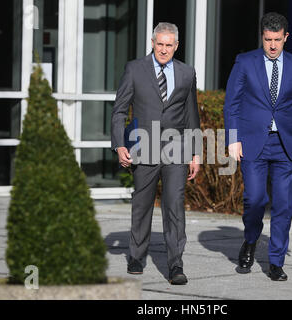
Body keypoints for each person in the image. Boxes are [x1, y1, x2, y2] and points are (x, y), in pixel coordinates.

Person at [223, 12, 292, 281]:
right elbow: (231, 103)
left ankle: (276, 261)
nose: (273, 46)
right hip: (253, 142)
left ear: (286, 37)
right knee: (254, 200)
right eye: (268, 40)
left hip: (286, 144)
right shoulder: (245, 62)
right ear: (262, 37)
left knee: (284, 205)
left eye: (278, 40)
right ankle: (250, 241)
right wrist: (232, 139)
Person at [111, 22, 200, 285]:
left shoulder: (186, 73)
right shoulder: (135, 69)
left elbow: (192, 114)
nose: (163, 49)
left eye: (168, 45)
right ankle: (137, 256)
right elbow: (119, 110)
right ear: (152, 43)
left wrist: (195, 152)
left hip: (177, 150)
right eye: (159, 44)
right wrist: (120, 145)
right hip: (143, 147)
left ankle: (175, 264)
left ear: (176, 46)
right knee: (142, 204)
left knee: (174, 206)